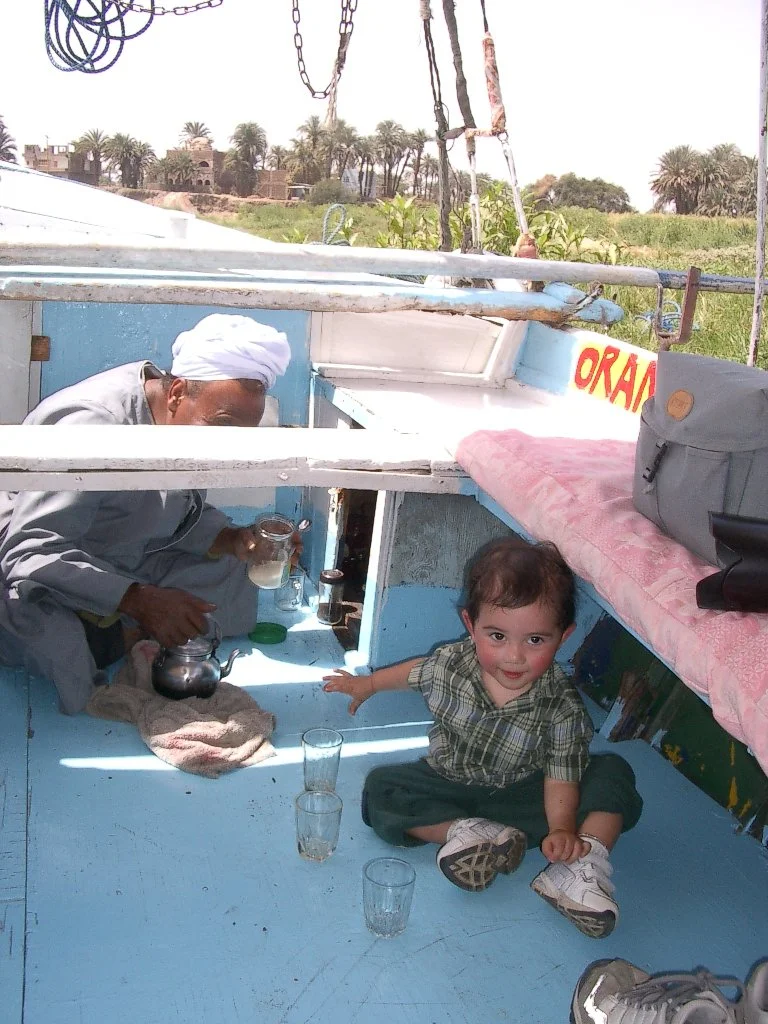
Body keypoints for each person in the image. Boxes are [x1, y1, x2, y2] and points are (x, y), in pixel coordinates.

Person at [323, 537, 643, 938]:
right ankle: (467, 834)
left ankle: (580, 864)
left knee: (612, 773)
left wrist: (561, 828)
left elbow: (561, 778)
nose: (514, 656)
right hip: (448, 783)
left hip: (528, 795)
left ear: (564, 637)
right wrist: (367, 684)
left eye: (535, 640)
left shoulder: (562, 707)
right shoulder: (450, 666)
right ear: (471, 626)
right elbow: (413, 673)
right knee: (381, 790)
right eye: (498, 636)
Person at [0, 313, 292, 715]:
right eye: (221, 426)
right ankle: (118, 630)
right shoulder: (90, 426)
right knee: (57, 640)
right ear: (176, 393)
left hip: (120, 548)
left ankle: (122, 627)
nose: (229, 448)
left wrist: (233, 539)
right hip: (31, 561)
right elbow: (30, 552)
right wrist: (138, 599)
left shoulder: (177, 417)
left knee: (236, 570)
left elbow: (165, 508)